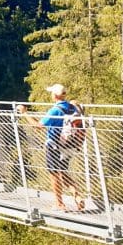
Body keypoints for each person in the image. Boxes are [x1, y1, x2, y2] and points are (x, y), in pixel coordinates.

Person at [36, 83, 84, 212]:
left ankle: (59, 204)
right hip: (69, 145)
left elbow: (38, 126)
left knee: (54, 174)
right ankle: (77, 196)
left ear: (55, 95)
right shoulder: (71, 107)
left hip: (54, 146)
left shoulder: (55, 110)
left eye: (52, 93)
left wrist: (24, 114)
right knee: (62, 172)